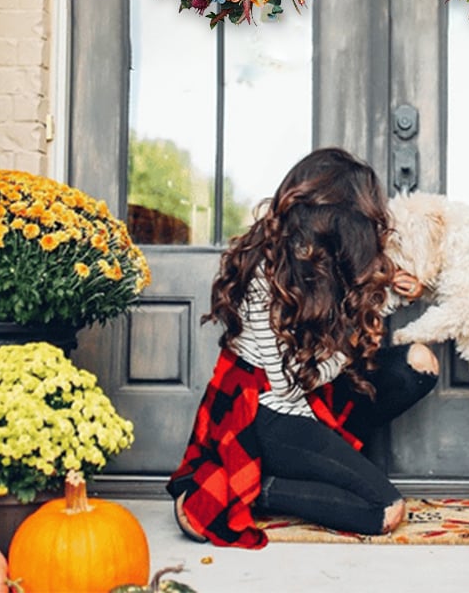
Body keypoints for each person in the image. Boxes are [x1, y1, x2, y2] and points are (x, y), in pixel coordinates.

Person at [167, 147, 439, 548]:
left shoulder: (332, 256)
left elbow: (362, 318)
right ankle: (255, 487)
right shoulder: (263, 268)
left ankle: (326, 461)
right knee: (383, 511)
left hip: (314, 390)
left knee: (420, 362)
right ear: (335, 218)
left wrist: (409, 292)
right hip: (268, 407)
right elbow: (288, 388)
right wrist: (349, 349)